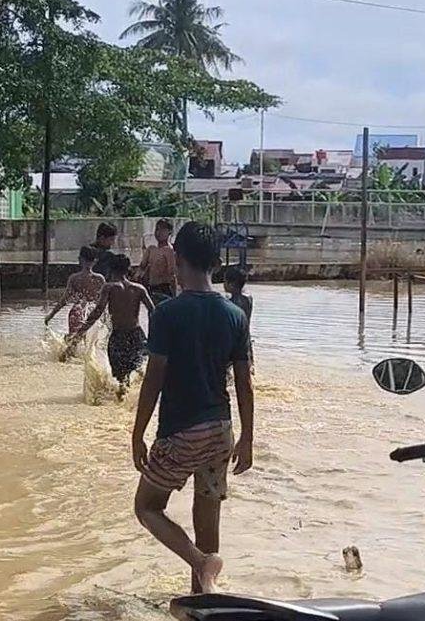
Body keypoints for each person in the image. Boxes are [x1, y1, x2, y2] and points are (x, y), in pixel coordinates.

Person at [131, 221, 255, 594]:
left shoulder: (167, 314)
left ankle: (201, 564)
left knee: (147, 507)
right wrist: (248, 437)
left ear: (177, 260)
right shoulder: (235, 315)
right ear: (216, 263)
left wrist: (137, 433)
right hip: (220, 429)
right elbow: (245, 383)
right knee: (207, 519)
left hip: (182, 430)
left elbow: (153, 380)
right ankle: (205, 598)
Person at [73, 253, 154, 396]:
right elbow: (153, 312)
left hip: (118, 337)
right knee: (134, 370)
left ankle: (120, 403)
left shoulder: (109, 288)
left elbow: (98, 311)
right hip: (137, 335)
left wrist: (81, 331)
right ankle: (128, 405)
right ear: (128, 269)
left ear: (111, 270)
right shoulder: (139, 289)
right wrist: (154, 335)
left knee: (121, 379)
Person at [44, 246, 105, 336]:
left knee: (73, 340)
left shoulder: (75, 278)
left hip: (77, 312)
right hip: (93, 313)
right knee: (90, 342)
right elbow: (104, 301)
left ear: (80, 259)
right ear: (95, 261)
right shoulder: (100, 279)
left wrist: (51, 315)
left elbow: (64, 300)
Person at [139, 219, 178, 305]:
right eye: (157, 229)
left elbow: (172, 274)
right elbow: (142, 268)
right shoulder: (151, 249)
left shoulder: (169, 250)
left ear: (169, 232)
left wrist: (175, 296)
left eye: (162, 230)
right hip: (151, 288)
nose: (158, 233)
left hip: (163, 289)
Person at [223, 267, 254, 374]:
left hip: (231, 340)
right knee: (246, 370)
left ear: (231, 284)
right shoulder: (248, 298)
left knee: (228, 371)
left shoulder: (229, 302)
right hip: (245, 338)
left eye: (225, 281)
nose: (223, 284)